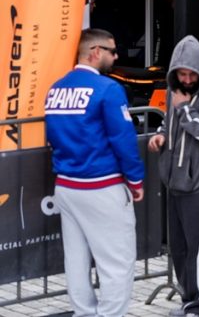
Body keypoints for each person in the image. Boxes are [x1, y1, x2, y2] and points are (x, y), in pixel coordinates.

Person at [45, 29, 145, 317]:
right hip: (101, 185)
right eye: (112, 51)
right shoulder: (108, 89)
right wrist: (136, 180)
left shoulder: (56, 88)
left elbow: (53, 136)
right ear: (95, 52)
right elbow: (123, 139)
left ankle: (84, 313)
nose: (116, 56)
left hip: (66, 185)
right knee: (117, 262)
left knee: (76, 260)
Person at [148, 35, 199, 317]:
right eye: (181, 74)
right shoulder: (174, 88)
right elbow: (170, 122)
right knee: (179, 248)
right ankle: (189, 298)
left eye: (192, 74)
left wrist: (185, 109)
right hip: (174, 179)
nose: (187, 79)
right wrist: (160, 136)